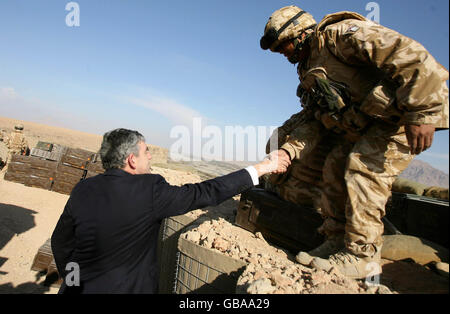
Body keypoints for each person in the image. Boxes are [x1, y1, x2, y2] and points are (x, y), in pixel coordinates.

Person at [260, 6, 448, 279]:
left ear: (298, 32)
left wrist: (423, 111)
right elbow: (315, 120)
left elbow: (409, 54)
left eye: (283, 45)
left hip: (400, 117)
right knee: (335, 165)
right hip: (368, 127)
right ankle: (338, 241)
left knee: (363, 167)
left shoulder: (340, 36)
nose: (282, 53)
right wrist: (289, 149)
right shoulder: (310, 69)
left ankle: (362, 255)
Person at [51, 128, 290, 293]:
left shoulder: (83, 189)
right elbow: (205, 192)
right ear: (132, 160)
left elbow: (61, 243)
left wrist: (72, 280)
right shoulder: (150, 190)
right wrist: (261, 167)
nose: (151, 156)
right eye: (146, 152)